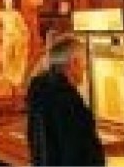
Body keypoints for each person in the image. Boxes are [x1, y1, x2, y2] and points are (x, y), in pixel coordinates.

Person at [26, 35, 104, 166]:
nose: (85, 68)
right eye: (83, 62)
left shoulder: (40, 91)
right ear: (73, 63)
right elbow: (77, 154)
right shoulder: (69, 103)